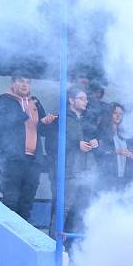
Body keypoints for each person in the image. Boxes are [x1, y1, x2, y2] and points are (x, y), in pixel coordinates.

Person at [0, 72, 56, 221]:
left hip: (33, 161)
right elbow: (2, 123)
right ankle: (7, 239)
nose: (25, 85)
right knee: (11, 201)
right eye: (21, 81)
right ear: (13, 83)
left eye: (28, 82)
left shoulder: (34, 101)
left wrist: (46, 122)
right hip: (12, 160)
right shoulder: (4, 100)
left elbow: (42, 130)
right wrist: (26, 111)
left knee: (27, 203)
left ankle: (22, 240)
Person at [45, 86, 100, 239]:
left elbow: (98, 139)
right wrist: (77, 144)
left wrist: (96, 142)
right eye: (82, 98)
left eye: (86, 99)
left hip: (88, 170)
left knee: (84, 209)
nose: (86, 101)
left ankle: (77, 247)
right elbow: (53, 144)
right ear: (71, 100)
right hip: (70, 170)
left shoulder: (88, 120)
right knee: (64, 208)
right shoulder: (60, 119)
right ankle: (53, 244)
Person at [95, 103, 133, 192]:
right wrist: (115, 152)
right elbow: (98, 153)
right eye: (115, 113)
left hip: (125, 177)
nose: (118, 115)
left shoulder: (126, 133)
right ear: (110, 114)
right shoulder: (102, 132)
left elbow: (132, 152)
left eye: (121, 114)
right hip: (109, 178)